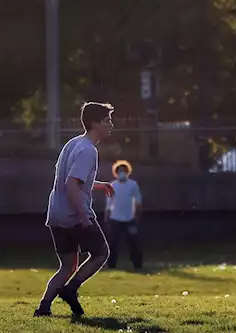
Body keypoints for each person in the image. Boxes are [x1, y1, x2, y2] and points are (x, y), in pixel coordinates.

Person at [34, 102, 117, 318]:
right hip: (74, 215)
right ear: (95, 123)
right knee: (101, 253)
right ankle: (71, 290)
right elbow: (71, 184)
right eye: (107, 120)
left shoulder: (73, 144)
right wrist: (83, 217)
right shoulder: (89, 150)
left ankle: (43, 308)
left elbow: (70, 178)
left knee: (68, 265)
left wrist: (97, 184)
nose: (111, 125)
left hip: (56, 214)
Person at [105, 160, 144, 271]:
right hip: (115, 219)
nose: (122, 173)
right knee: (113, 243)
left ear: (128, 172)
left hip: (129, 218)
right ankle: (111, 265)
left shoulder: (133, 185)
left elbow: (138, 200)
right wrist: (107, 216)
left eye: (124, 171)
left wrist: (137, 214)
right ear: (116, 173)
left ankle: (138, 265)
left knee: (134, 243)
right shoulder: (112, 185)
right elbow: (108, 203)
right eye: (119, 171)